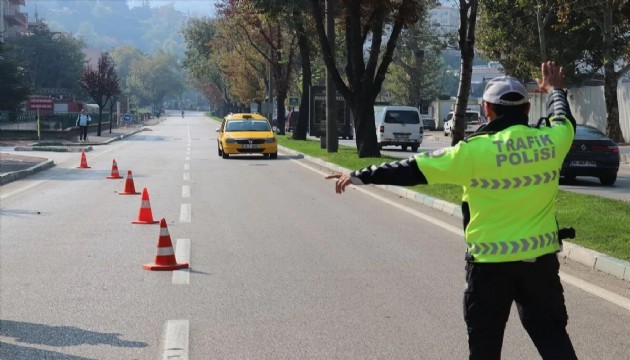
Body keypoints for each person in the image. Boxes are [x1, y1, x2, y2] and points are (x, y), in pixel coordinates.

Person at [326, 61, 578, 360]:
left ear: (487, 109)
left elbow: (411, 169)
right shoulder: (551, 141)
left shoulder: (472, 152)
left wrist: (359, 175)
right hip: (540, 268)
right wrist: (555, 89)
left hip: (489, 269)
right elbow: (562, 117)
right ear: (526, 110)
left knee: (484, 350)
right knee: (554, 342)